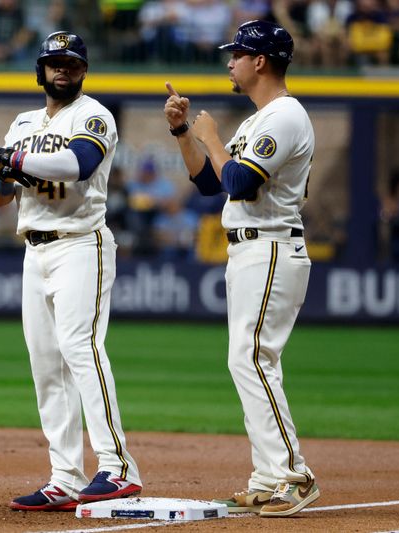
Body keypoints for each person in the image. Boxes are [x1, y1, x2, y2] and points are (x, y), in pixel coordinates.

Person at [0, 31, 142, 512]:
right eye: (54, 62)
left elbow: (78, 164)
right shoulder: (23, 121)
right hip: (35, 248)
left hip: (80, 244)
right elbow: (1, 195)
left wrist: (12, 160)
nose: (61, 69)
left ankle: (118, 466)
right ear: (41, 70)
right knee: (46, 364)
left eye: (70, 62)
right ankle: (65, 478)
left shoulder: (93, 114)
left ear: (83, 70)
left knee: (80, 349)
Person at [163, 20, 319, 518]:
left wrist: (210, 135)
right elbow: (211, 183)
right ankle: (269, 477)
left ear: (261, 62)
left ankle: (293, 476)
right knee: (251, 360)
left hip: (270, 246)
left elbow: (240, 182)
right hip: (250, 249)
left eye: (237, 54)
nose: (229, 62)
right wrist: (184, 131)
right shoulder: (259, 119)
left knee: (251, 358)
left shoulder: (284, 116)